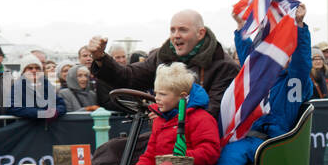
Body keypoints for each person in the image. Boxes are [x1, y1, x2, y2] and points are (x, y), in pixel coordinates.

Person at [203, 0, 312, 165]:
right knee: (222, 148)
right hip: (251, 136)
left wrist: (298, 24)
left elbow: (302, 61)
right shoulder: (260, 77)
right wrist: (240, 26)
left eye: (284, 51)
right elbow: (249, 59)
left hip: (277, 142)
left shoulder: (295, 80)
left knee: (235, 150)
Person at [87, 10, 238, 120]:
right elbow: (129, 76)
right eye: (172, 30)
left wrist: (168, 113)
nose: (176, 35)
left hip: (196, 142)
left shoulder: (223, 66)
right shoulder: (163, 58)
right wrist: (101, 58)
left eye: (183, 30)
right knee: (110, 153)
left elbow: (212, 112)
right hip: (162, 134)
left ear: (200, 33)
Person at [138, 63, 222, 165]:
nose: (157, 98)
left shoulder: (202, 119)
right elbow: (150, 155)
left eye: (163, 94)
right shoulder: (160, 120)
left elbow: (209, 152)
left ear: (182, 96)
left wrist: (180, 158)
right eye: (156, 94)